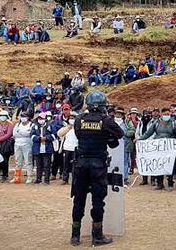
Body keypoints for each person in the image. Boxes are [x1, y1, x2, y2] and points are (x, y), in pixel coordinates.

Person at [70, 90, 123, 246]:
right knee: (98, 201)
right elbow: (119, 134)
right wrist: (106, 136)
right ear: (102, 106)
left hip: (80, 164)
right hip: (97, 166)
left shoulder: (79, 119)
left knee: (78, 200)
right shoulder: (106, 121)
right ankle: (97, 236)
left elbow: (79, 134)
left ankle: (75, 235)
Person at [139, 108, 176, 190]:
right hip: (158, 148)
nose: (166, 116)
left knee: (170, 165)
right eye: (165, 114)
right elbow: (148, 133)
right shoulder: (156, 123)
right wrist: (140, 139)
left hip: (169, 149)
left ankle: (170, 183)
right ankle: (160, 183)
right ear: (161, 114)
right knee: (159, 165)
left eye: (168, 114)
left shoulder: (173, 124)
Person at [31, 112, 56, 184]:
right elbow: (32, 136)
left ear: (45, 119)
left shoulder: (50, 126)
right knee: (38, 165)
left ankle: (46, 180)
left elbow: (54, 135)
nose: (40, 120)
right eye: (39, 118)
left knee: (47, 165)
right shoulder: (34, 126)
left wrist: (46, 138)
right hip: (37, 148)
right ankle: (38, 179)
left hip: (47, 148)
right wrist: (39, 138)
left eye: (41, 118)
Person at [12, 112, 34, 184]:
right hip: (17, 144)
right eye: (21, 116)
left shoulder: (31, 124)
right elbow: (14, 134)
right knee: (18, 161)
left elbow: (28, 134)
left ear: (28, 117)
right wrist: (22, 132)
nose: (22, 118)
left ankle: (30, 177)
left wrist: (19, 131)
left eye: (24, 116)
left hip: (27, 144)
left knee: (28, 161)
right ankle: (17, 177)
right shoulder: (18, 124)